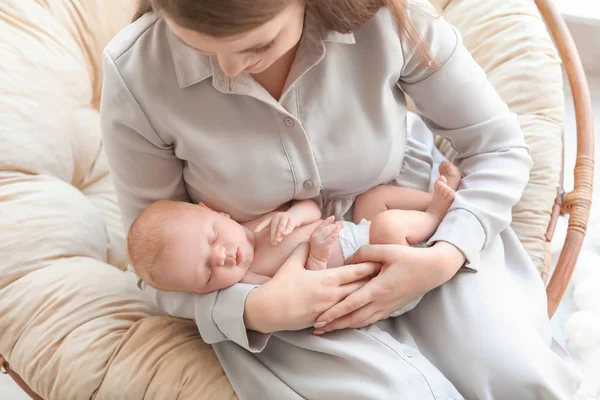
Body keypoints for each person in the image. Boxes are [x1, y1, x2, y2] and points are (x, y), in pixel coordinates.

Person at [100, 0, 581, 398]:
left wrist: (445, 256)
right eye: (194, 43)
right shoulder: (136, 74)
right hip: (281, 300)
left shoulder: (390, 19)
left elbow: (497, 147)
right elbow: (154, 265)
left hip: (417, 236)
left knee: (518, 375)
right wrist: (257, 310)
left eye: (258, 44)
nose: (227, 69)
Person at [127, 167, 459, 313]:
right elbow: (310, 291)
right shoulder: (251, 283)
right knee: (387, 225)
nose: (222, 256)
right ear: (201, 291)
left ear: (215, 212)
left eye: (213, 237)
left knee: (373, 199)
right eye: (207, 273)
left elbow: (312, 209)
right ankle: (433, 217)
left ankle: (433, 197)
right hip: (373, 272)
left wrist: (294, 216)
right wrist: (316, 253)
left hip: (355, 232)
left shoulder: (254, 225)